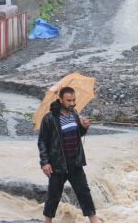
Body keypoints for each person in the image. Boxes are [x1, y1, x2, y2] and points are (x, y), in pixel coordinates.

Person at [37, 86, 100, 223]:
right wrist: (45, 163)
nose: (72, 103)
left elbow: (77, 135)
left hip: (75, 162)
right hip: (57, 164)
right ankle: (48, 221)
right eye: (68, 100)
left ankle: (94, 220)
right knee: (53, 196)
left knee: (84, 193)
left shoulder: (75, 115)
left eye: (73, 100)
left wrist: (84, 127)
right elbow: (42, 142)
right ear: (60, 100)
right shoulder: (50, 119)